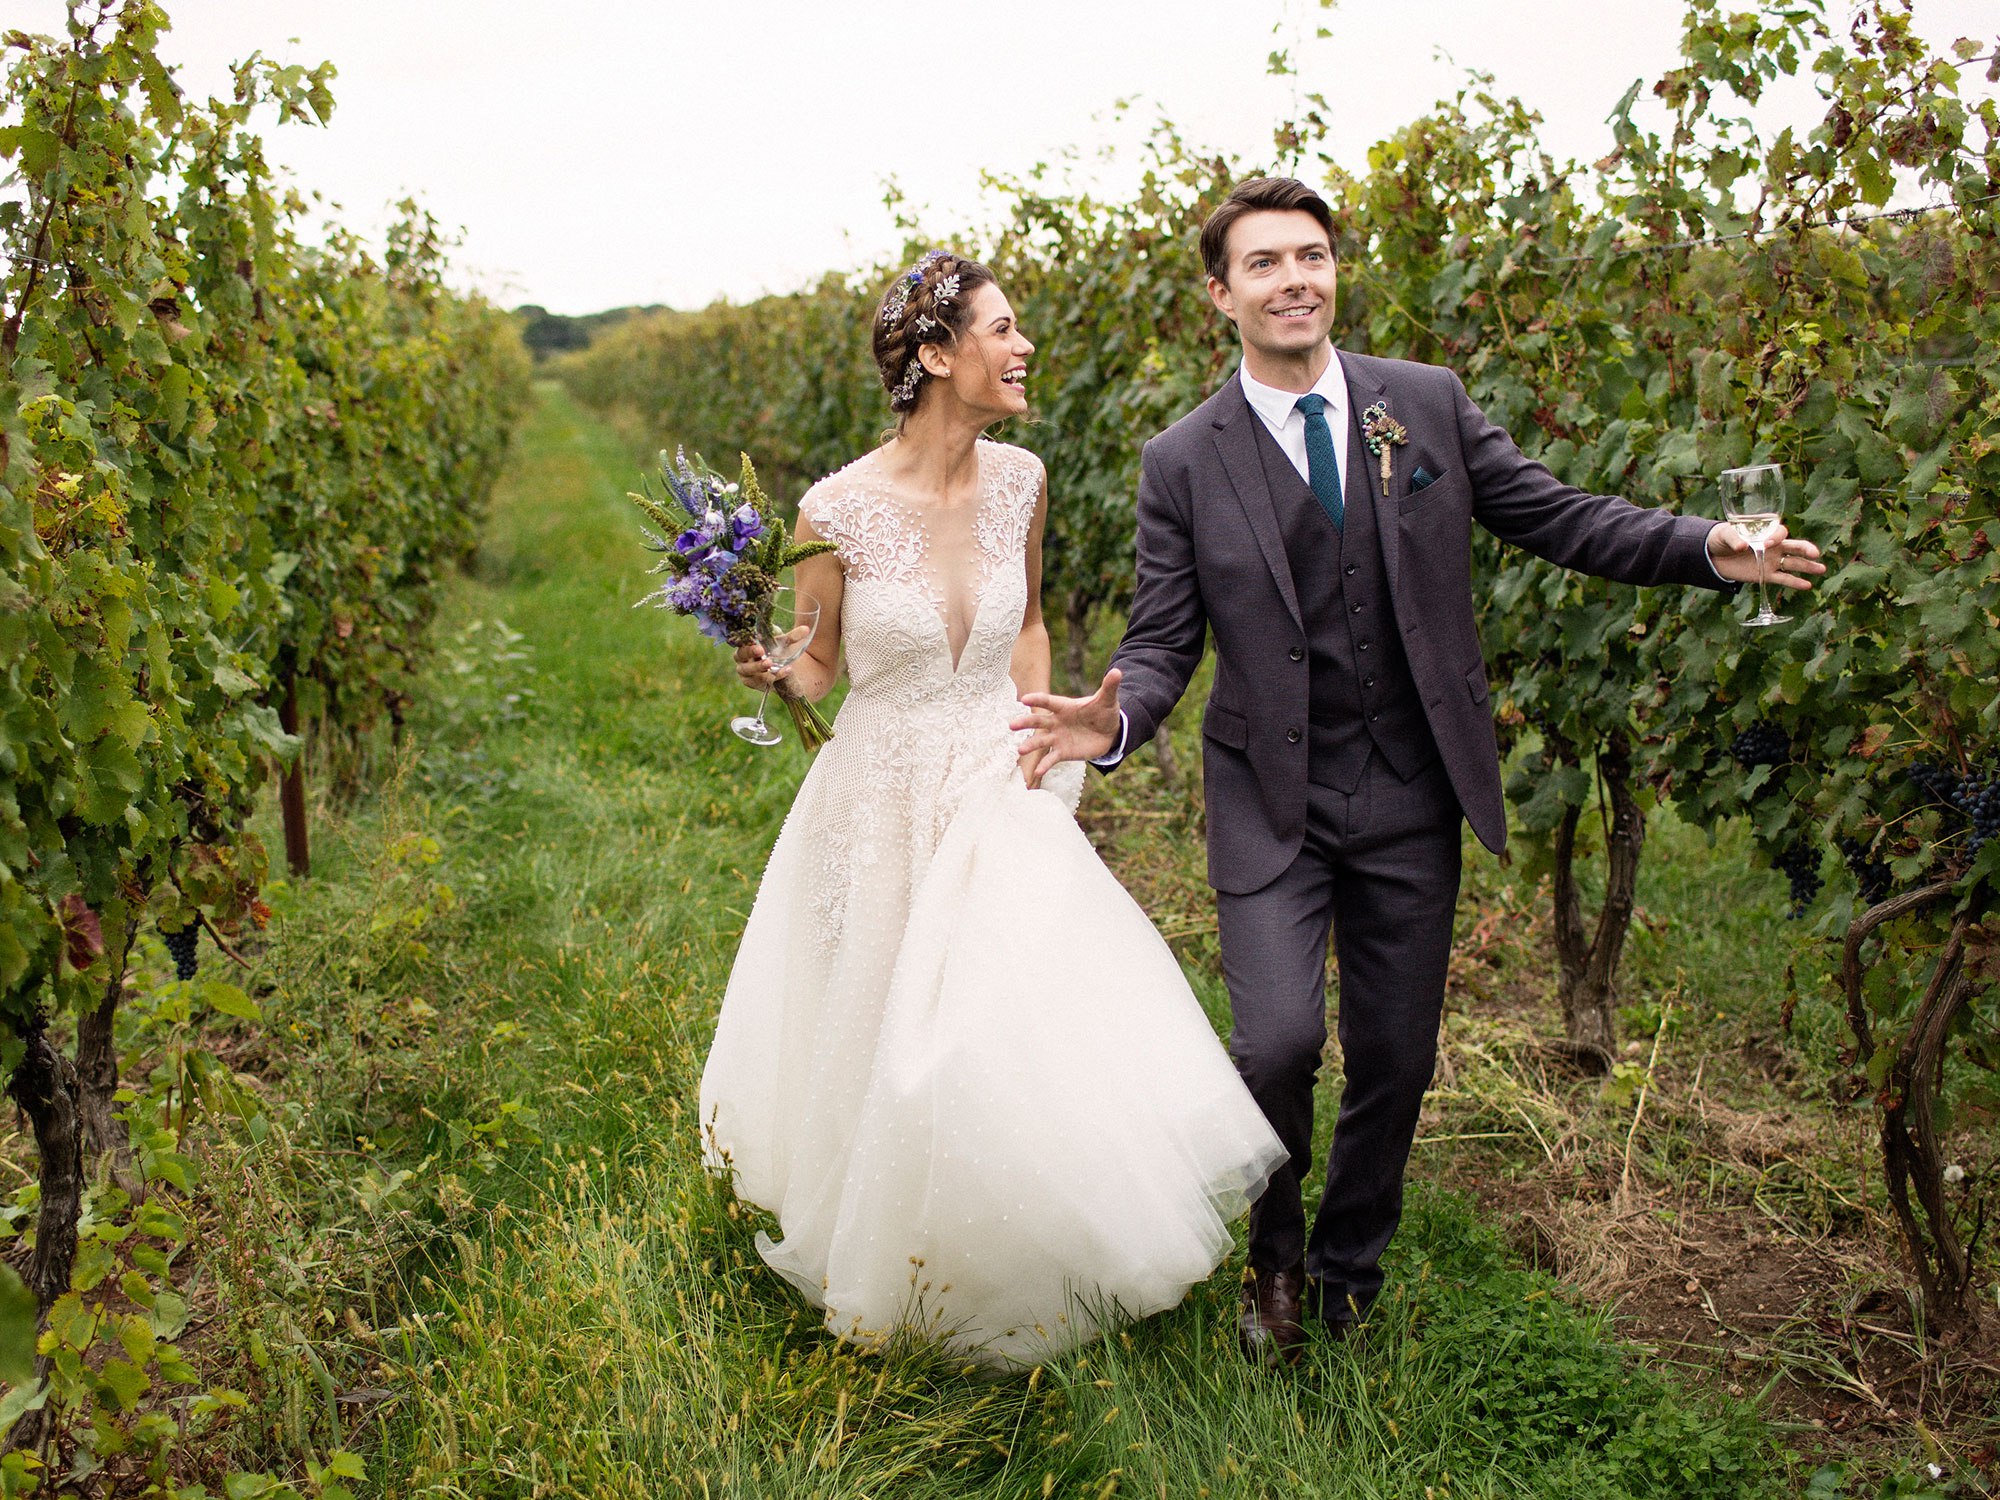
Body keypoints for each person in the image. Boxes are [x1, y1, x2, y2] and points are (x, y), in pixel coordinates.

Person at [1014, 177, 1827, 1367]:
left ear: (1335, 272)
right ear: (1218, 293)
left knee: (1396, 1057)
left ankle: (1348, 1272)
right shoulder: (1181, 459)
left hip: (1408, 791)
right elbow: (1159, 639)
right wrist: (1117, 721)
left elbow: (1555, 515)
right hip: (1270, 797)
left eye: (1312, 257)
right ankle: (1275, 1256)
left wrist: (1705, 545)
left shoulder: (1423, 406)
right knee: (1277, 1044)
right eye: (1264, 264)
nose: (1294, 279)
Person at [700, 250, 1286, 1371]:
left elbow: (1023, 629)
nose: (1023, 350)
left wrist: (1041, 730)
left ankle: (1031, 1240)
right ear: (934, 354)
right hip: (881, 790)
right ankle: (891, 1251)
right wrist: (772, 670)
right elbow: (819, 665)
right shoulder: (835, 510)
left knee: (1012, 1018)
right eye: (1002, 330)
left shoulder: (1022, 477)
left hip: (1000, 770)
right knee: (884, 1015)